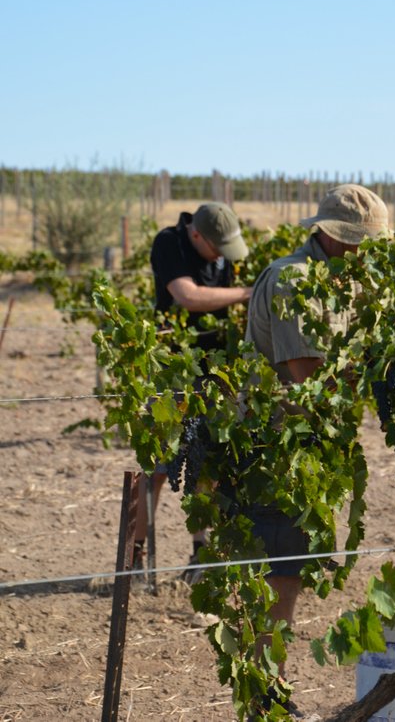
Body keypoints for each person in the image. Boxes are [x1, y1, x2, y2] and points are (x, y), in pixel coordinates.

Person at [244, 183, 390, 714]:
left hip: (307, 446)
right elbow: (308, 380)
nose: (367, 253)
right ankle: (267, 701)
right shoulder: (293, 281)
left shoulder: (342, 280)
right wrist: (373, 372)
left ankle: (268, 696)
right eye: (360, 243)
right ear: (330, 235)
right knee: (278, 580)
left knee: (286, 577)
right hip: (272, 446)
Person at [135, 202, 252, 580]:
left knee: (208, 464)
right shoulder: (169, 243)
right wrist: (245, 294)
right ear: (196, 235)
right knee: (156, 468)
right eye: (216, 248)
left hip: (219, 371)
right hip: (173, 371)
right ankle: (132, 559)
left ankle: (200, 553)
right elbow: (187, 296)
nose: (222, 257)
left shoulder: (223, 253)